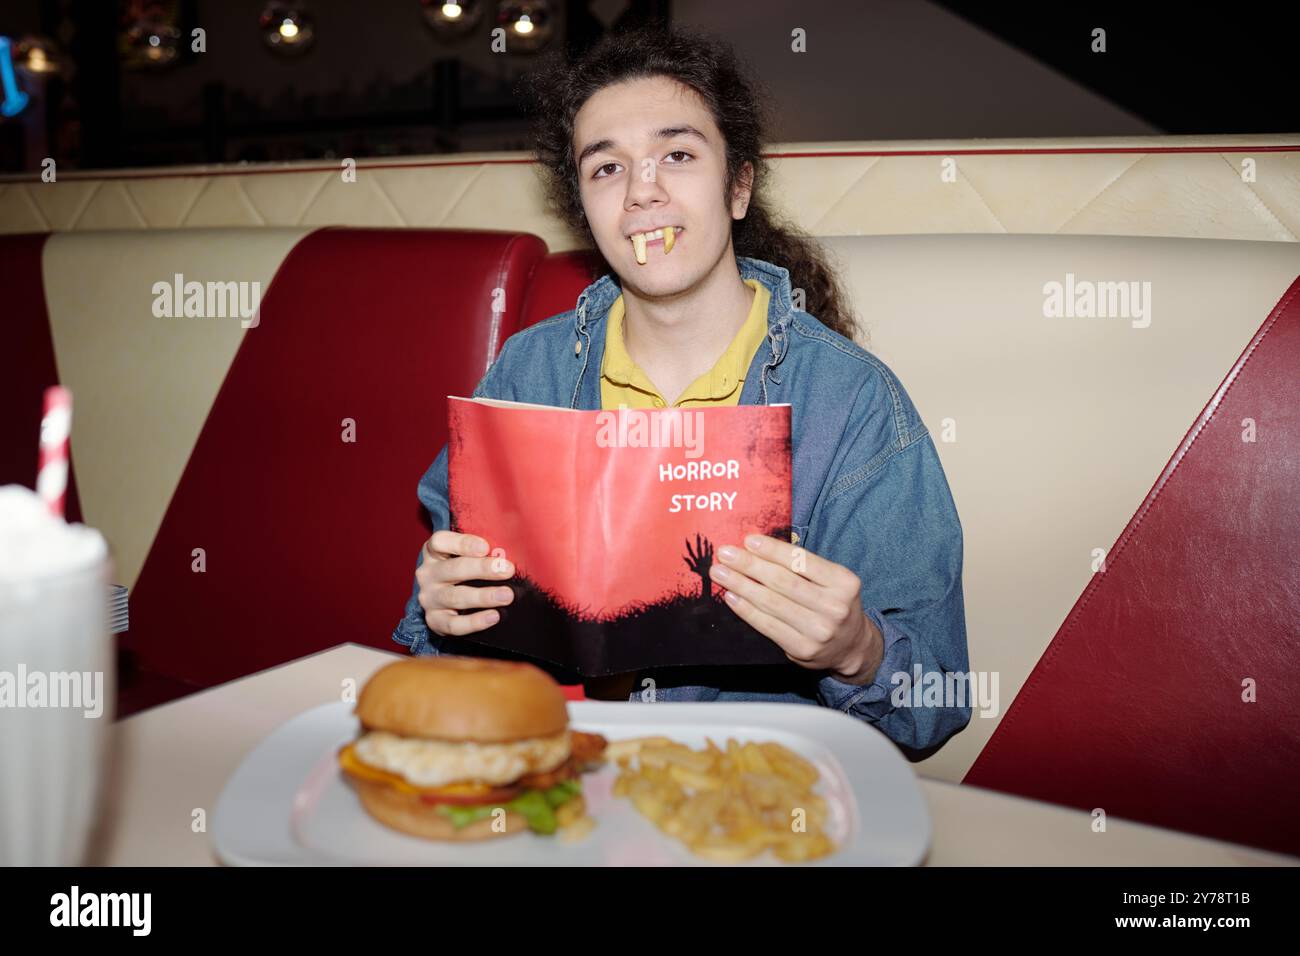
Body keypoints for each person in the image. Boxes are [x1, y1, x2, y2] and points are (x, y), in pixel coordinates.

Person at [392, 26, 971, 758]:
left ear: (738, 187)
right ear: (583, 206)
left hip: (751, 796)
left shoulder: (850, 402)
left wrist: (857, 649)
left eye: (677, 155)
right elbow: (441, 642)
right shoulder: (525, 377)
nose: (642, 191)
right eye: (606, 169)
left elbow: (938, 700)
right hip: (561, 776)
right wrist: (443, 614)